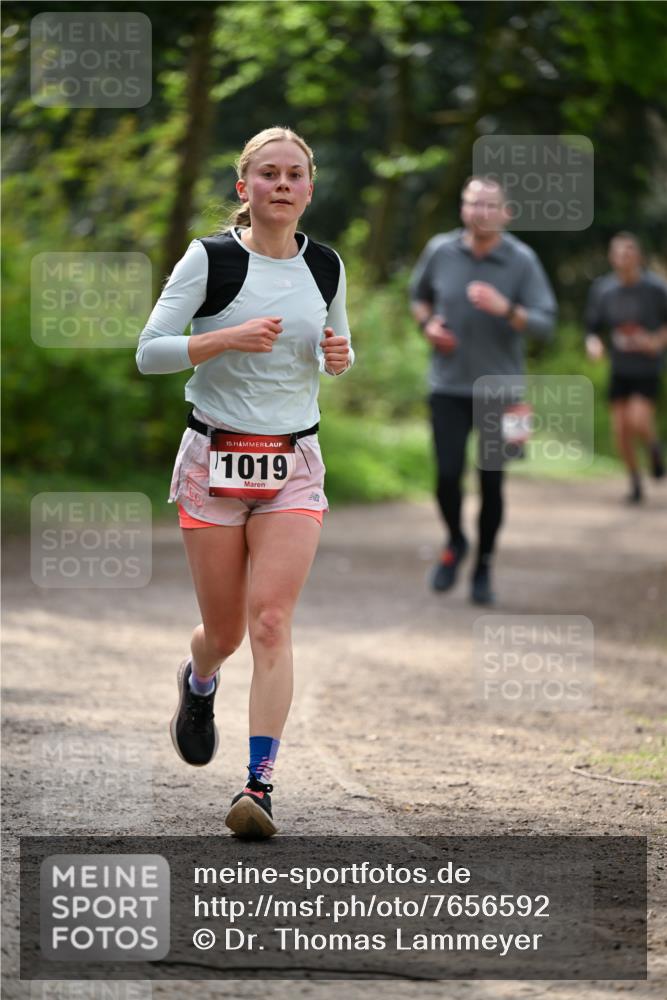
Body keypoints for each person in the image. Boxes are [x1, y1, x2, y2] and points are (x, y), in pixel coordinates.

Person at [136, 126, 353, 839]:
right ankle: (198, 682)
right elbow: (150, 354)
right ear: (244, 187)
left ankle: (257, 786)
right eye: (268, 174)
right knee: (225, 633)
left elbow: (331, 354)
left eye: (295, 174)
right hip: (213, 457)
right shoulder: (208, 260)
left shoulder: (326, 266)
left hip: (292, 463)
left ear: (309, 190)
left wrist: (339, 355)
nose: (282, 185)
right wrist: (224, 336)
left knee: (270, 621)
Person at [410, 176, 557, 604]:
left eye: (490, 205)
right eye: (473, 203)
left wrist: (506, 308)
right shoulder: (440, 250)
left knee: (493, 484)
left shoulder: (522, 260)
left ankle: (485, 566)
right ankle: (456, 541)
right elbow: (417, 296)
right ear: (463, 208)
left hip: (504, 391)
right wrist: (427, 326)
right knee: (446, 476)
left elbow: (546, 325)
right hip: (448, 385)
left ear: (506, 213)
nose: (481, 212)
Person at [585, 232, 667, 503]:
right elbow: (593, 328)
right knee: (620, 430)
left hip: (647, 367)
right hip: (619, 368)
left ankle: (654, 447)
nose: (624, 257)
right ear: (611, 257)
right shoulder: (604, 290)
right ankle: (634, 482)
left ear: (638, 256)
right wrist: (594, 344)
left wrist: (656, 340)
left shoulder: (656, 289)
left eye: (629, 251)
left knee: (638, 420)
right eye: (618, 252)